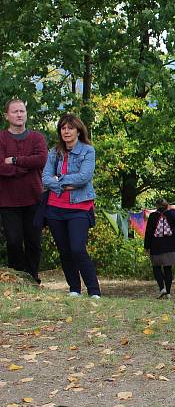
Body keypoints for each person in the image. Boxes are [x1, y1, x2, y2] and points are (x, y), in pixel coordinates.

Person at [41, 114, 101, 298]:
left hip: (79, 207)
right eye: (63, 128)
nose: (66, 131)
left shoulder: (88, 151)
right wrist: (64, 183)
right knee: (64, 251)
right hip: (54, 208)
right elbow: (44, 178)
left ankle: (94, 290)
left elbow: (84, 177)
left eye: (70, 128)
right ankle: (74, 288)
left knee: (77, 249)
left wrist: (58, 180)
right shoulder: (54, 152)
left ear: (78, 130)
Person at [0, 98, 47, 284]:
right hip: (8, 200)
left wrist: (15, 161)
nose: (19, 115)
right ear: (6, 115)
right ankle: (18, 278)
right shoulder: (1, 138)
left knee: (34, 242)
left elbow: (41, 160)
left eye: (22, 111)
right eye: (15, 112)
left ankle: (33, 278)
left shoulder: (37, 138)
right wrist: (25, 167)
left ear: (26, 114)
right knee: (13, 241)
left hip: (33, 198)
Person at [144, 199, 175, 299]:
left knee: (156, 267)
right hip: (171, 245)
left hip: (156, 246)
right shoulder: (172, 214)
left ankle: (162, 288)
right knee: (168, 268)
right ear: (166, 205)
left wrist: (146, 247)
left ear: (157, 206)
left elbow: (148, 232)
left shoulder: (152, 216)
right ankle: (168, 292)